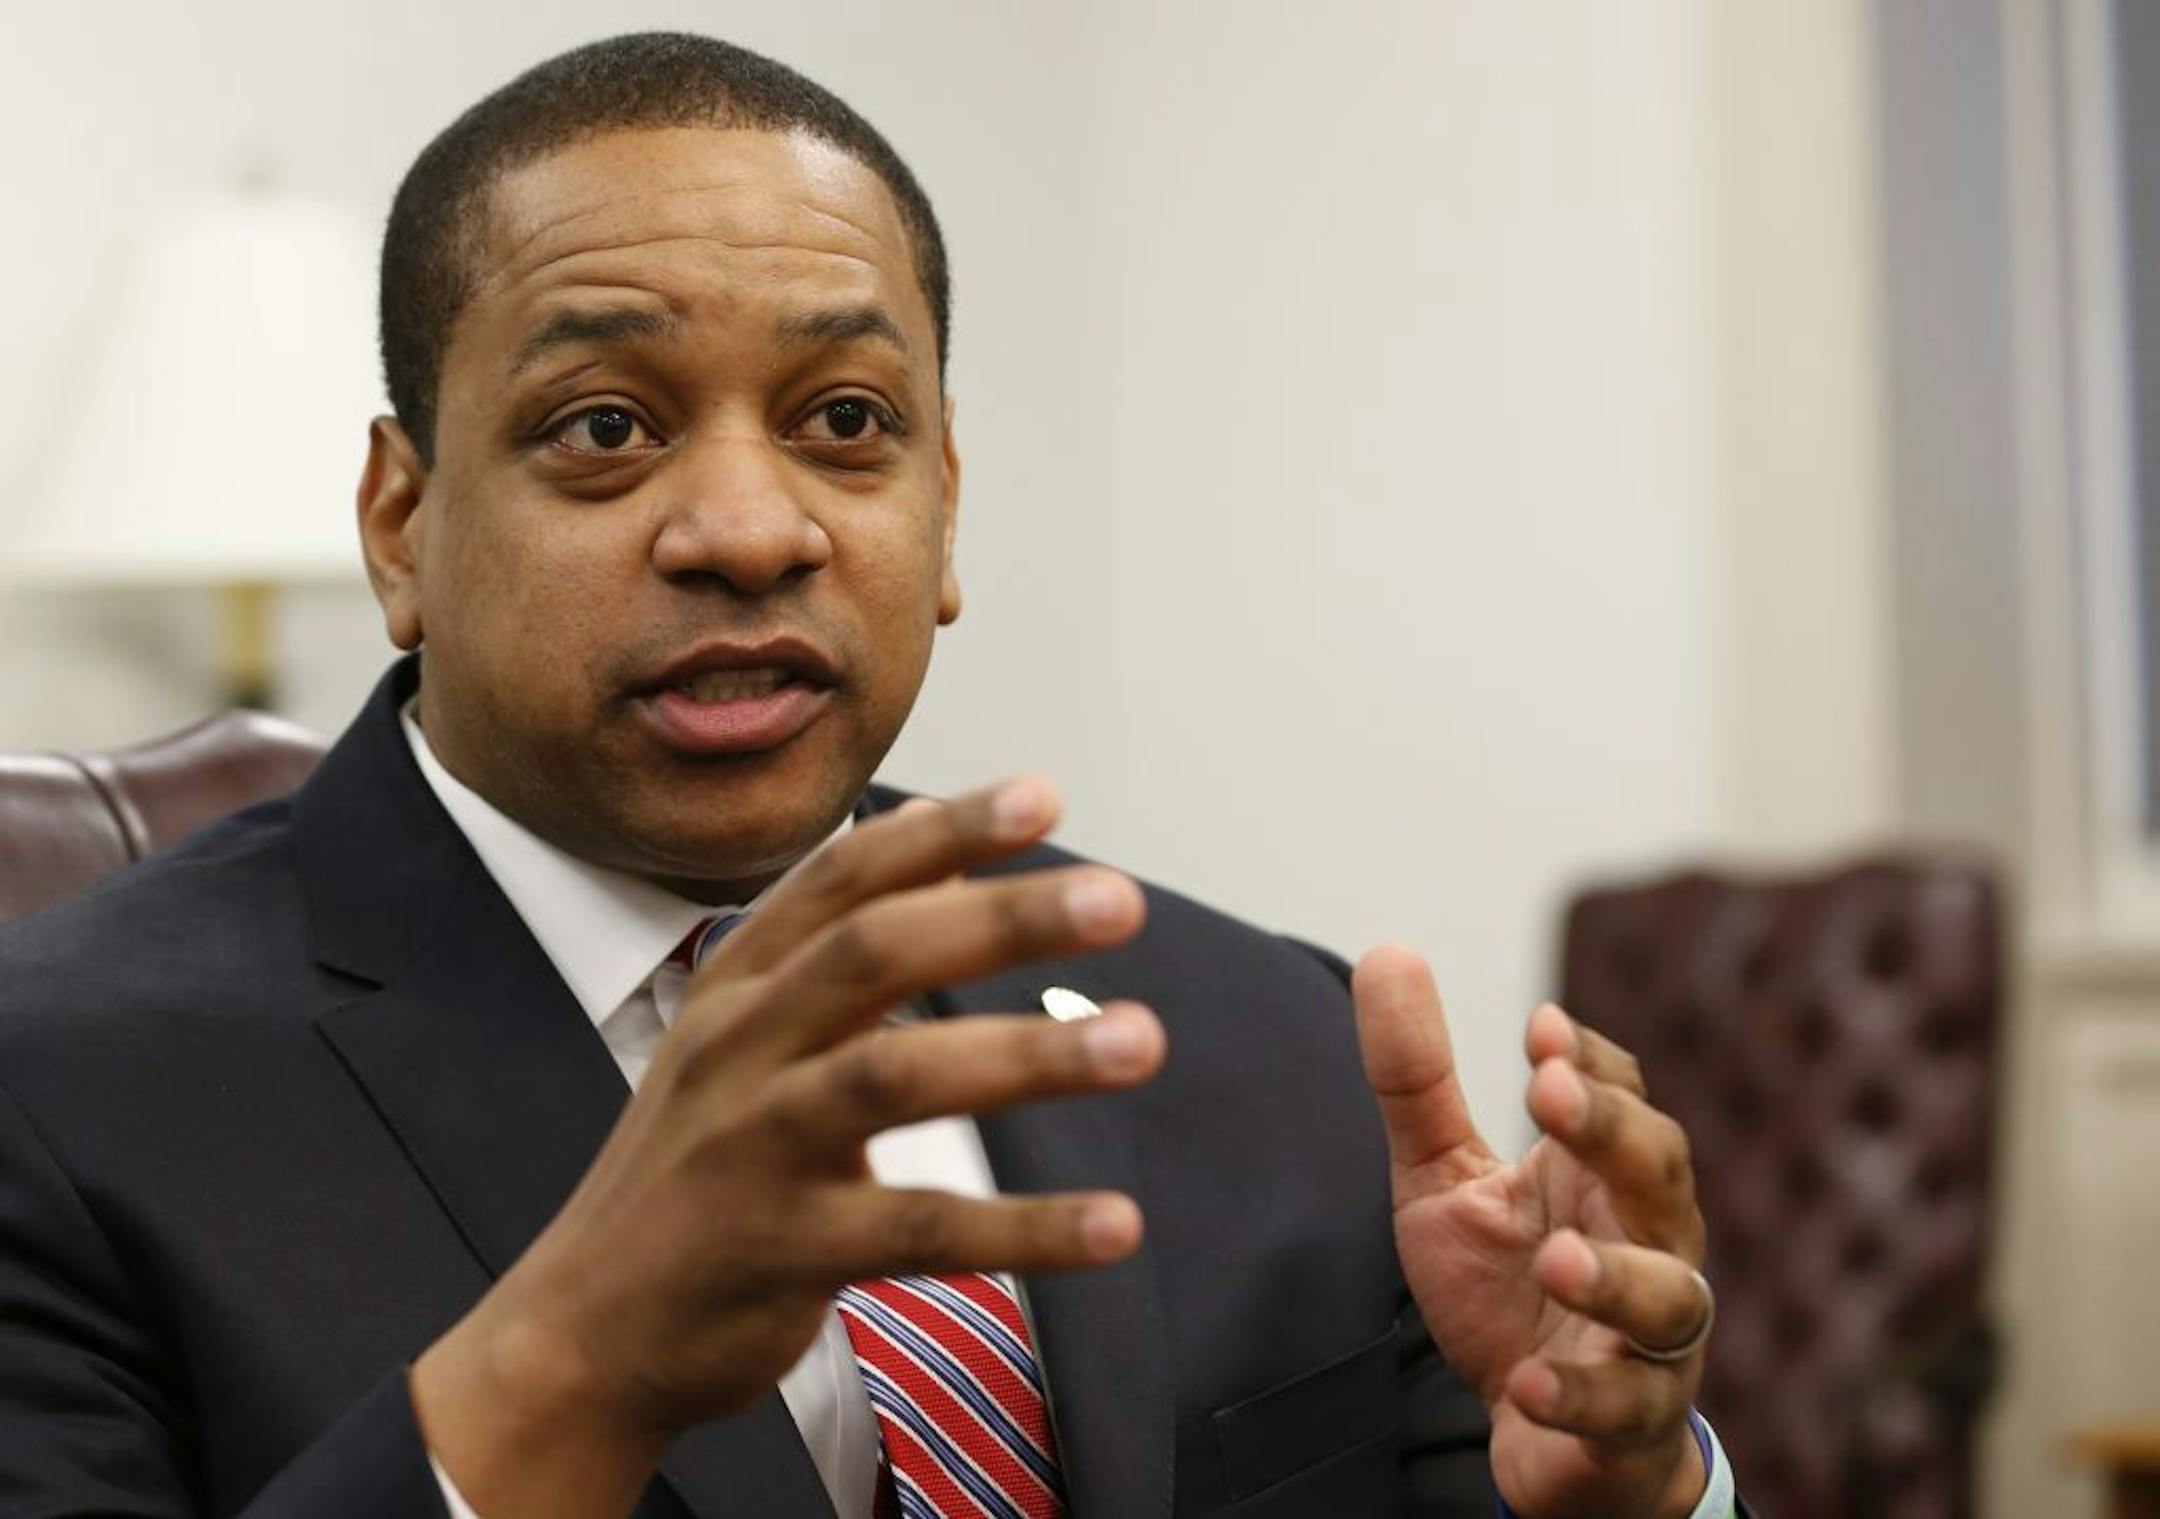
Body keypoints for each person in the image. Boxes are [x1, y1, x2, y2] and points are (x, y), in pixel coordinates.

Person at [0, 33, 1744, 1519]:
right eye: (605, 427)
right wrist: (563, 1375)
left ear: (946, 500)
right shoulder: (53, 1103)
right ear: (404, 522)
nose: (752, 534)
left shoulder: (1268, 1048)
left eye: (845, 423)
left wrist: (1637, 1491)